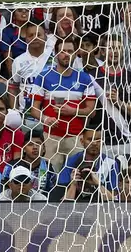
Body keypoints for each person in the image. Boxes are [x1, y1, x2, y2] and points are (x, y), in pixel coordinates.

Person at [30, 37, 96, 171]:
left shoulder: (84, 78)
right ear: (55, 53)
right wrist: (46, 119)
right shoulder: (43, 77)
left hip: (76, 138)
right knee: (50, 176)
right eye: (63, 51)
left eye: (70, 51)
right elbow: (33, 109)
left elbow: (92, 110)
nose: (67, 54)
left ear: (76, 53)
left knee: (77, 177)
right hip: (51, 138)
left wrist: (73, 111)